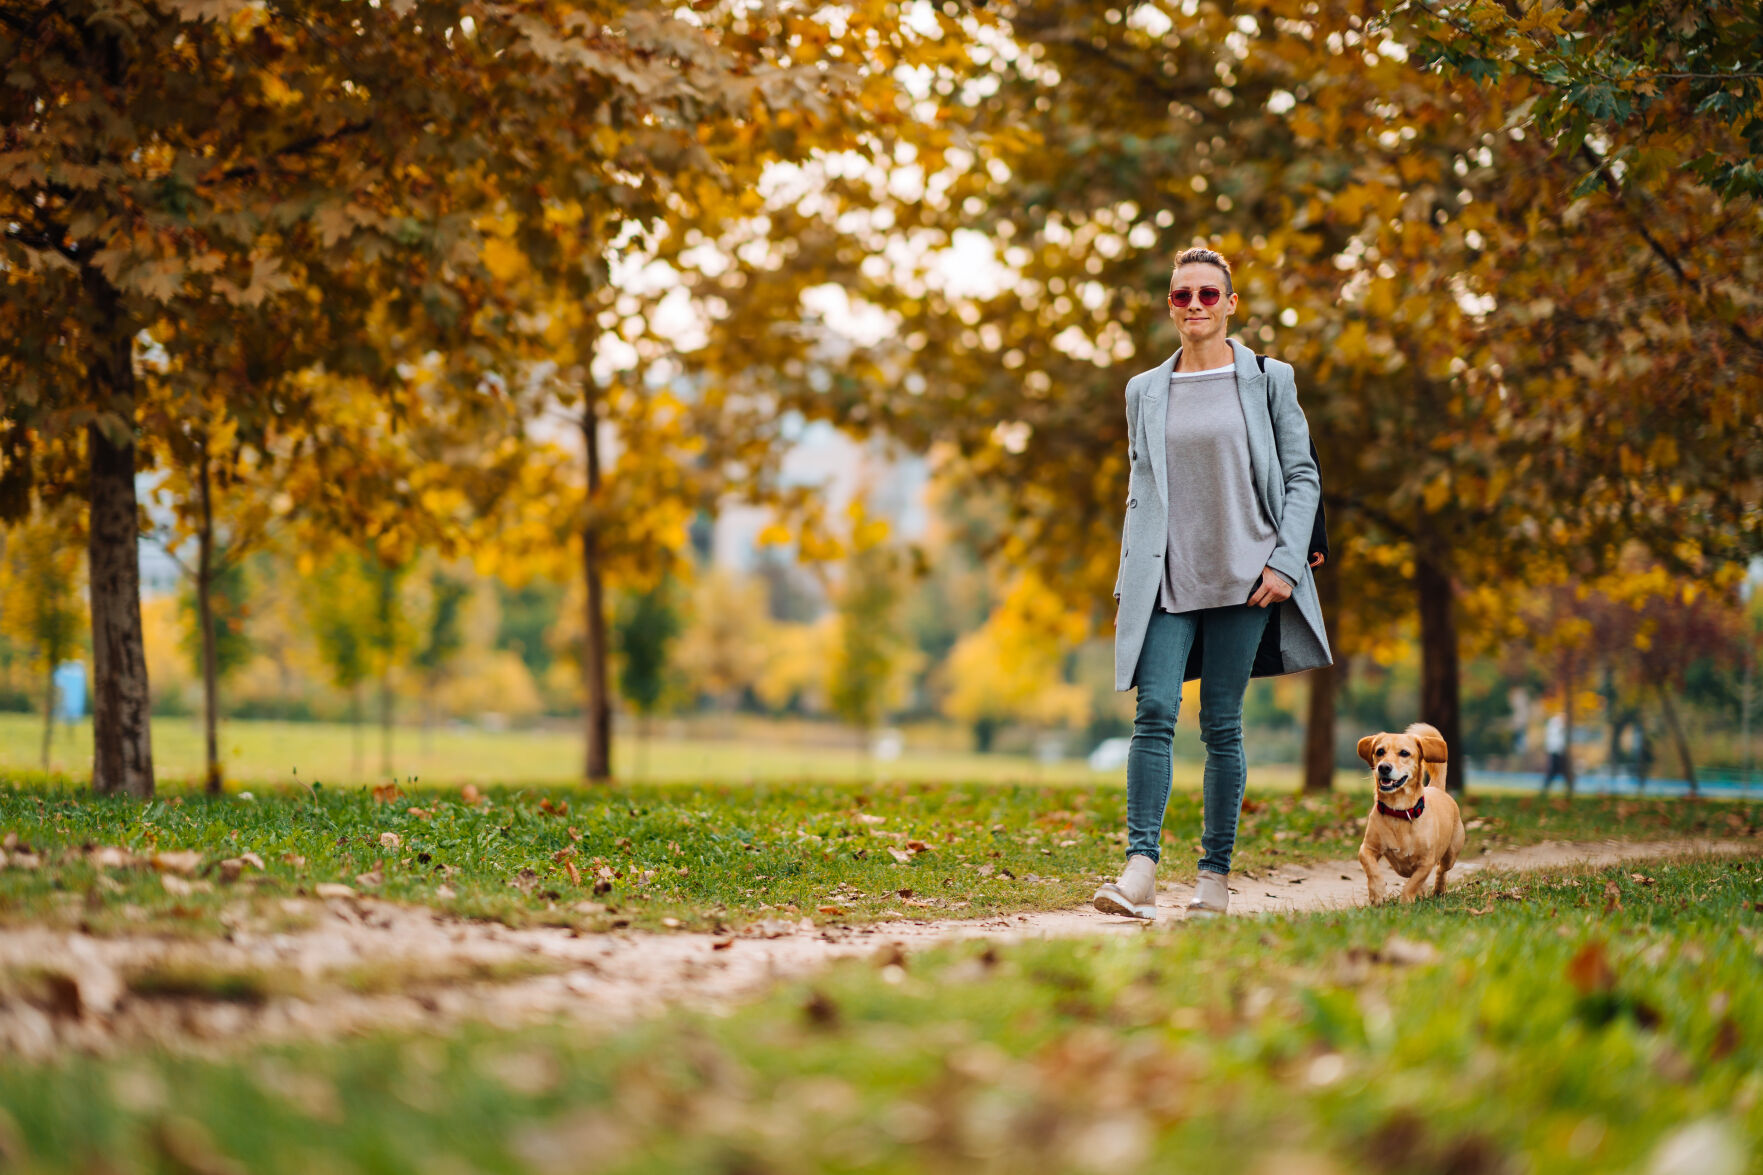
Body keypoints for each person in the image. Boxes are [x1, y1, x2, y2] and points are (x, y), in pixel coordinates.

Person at [1093, 247, 1332, 921]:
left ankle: (1212, 880)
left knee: (1221, 726)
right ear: (1170, 307)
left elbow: (1301, 475)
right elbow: (1142, 492)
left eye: (1206, 294)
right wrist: (1129, 577)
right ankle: (1139, 869)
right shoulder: (1143, 389)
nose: (1193, 305)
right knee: (1154, 712)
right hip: (1167, 579)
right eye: (1180, 296)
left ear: (1229, 305)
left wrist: (1285, 562)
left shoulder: (1267, 378)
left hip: (1246, 579)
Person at [1540, 711, 1568, 794]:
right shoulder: (1557, 725)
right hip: (1556, 752)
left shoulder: (1554, 724)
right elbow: (1556, 740)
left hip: (1556, 751)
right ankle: (1546, 788)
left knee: (1555, 771)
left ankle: (1546, 788)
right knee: (1555, 770)